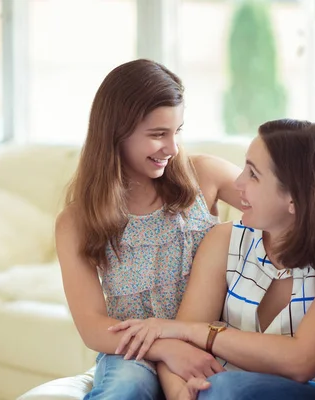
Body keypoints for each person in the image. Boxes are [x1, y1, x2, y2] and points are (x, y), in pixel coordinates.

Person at [109, 119, 315, 400]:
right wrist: (183, 394)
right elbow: (180, 349)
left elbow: (301, 362)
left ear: (294, 198)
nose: (239, 182)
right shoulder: (225, 241)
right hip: (216, 395)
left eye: (253, 174)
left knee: (226, 387)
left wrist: (196, 332)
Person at [55, 59, 244, 400]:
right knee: (127, 387)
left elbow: (276, 200)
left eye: (177, 132)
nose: (171, 149)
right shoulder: (76, 221)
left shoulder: (204, 175)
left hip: (206, 338)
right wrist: (166, 348)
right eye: (158, 135)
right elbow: (93, 326)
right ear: (116, 132)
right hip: (134, 350)